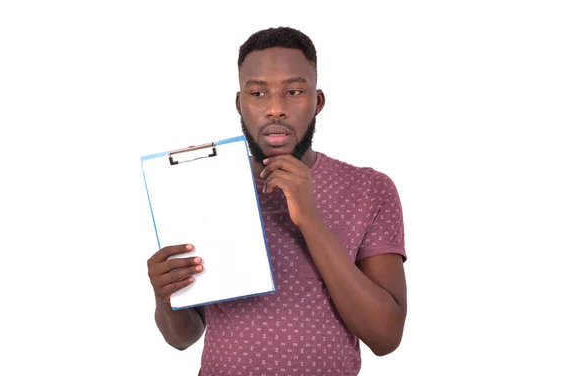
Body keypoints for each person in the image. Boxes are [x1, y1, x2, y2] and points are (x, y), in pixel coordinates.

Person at [147, 26, 407, 375]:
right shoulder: (202, 186)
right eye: (257, 93)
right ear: (240, 104)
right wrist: (165, 297)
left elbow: (386, 337)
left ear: (317, 102)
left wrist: (310, 220)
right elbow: (184, 337)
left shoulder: (369, 188)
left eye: (294, 91)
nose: (275, 109)